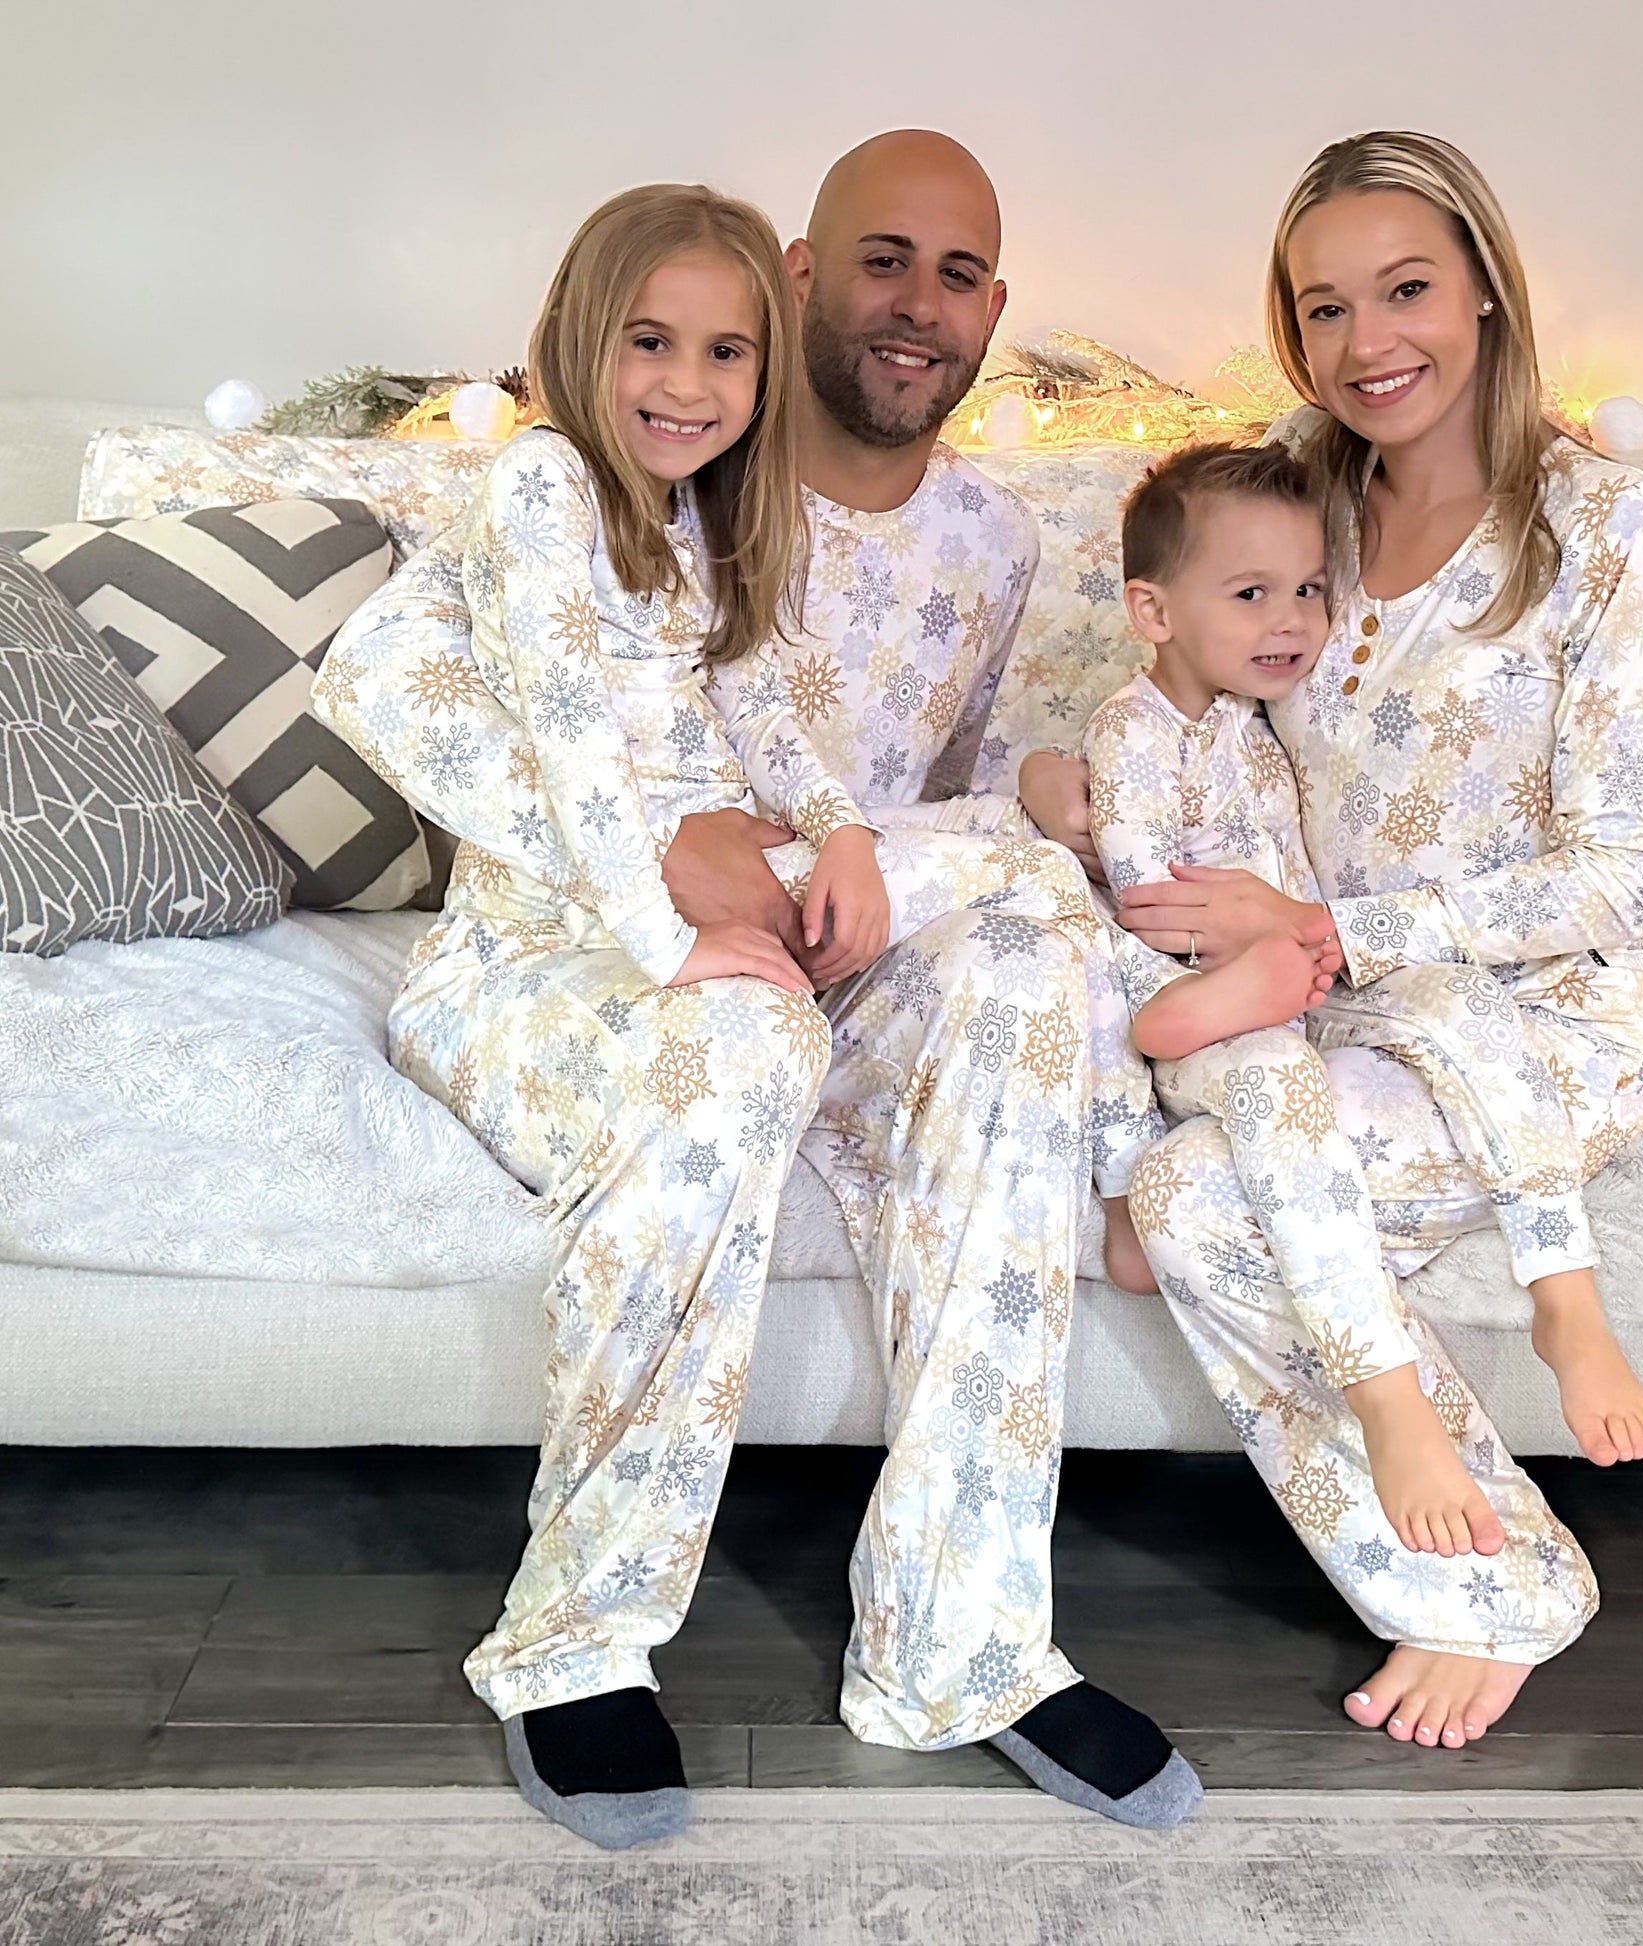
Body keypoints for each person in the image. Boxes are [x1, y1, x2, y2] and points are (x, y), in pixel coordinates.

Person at [316, 132, 1197, 1839]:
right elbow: (393, 683)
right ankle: (577, 1636)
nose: (914, 304)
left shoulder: (915, 529)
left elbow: (795, 714)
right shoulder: (585, 481)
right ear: (806, 279)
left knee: (1026, 945)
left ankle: (962, 1639)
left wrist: (853, 835)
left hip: (811, 928)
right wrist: (671, 888)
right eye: (880, 259)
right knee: (738, 1042)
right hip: (584, 949)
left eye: (954, 274)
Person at [1021, 130, 1643, 1750]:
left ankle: (1480, 1583)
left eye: (1404, 291)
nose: (1366, 342)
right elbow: (1173, 673)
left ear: (1483, 291)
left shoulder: (1614, 526)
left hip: (1540, 1016)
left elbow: (1622, 874)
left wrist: (1331, 922)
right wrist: (1062, 773)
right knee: (1183, 1186)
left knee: (1203, 1203)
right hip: (1327, 1016)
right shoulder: (1292, 500)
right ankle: (1483, 1568)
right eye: (1322, 309)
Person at [1092, 441, 1643, 1525]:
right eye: (1252, 595)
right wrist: (1240, 967)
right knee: (1276, 1097)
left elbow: (1299, 883)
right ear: (1152, 612)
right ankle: (1387, 1396)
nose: (1292, 620)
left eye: (1311, 590)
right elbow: (1146, 891)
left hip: (1314, 975)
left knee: (1460, 1000)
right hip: (1212, 1008)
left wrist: (1304, 946)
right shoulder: (1129, 730)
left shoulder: (1252, 716)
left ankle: (1562, 1289)